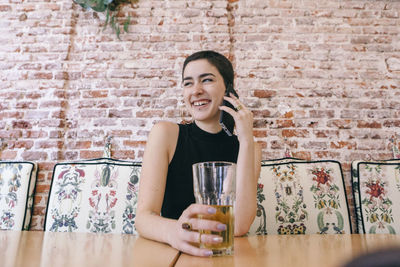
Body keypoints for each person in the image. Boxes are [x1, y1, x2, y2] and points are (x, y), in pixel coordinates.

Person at [135, 50, 262, 257]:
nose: (196, 90)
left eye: (207, 80)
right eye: (188, 83)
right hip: (170, 253)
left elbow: (239, 226)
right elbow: (143, 218)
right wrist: (174, 233)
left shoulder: (250, 149)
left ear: (229, 89)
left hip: (223, 255)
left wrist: (246, 139)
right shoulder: (165, 134)